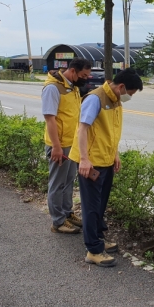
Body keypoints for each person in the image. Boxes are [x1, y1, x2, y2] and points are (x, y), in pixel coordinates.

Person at [69, 68, 143, 267]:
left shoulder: (116, 100)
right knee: (91, 206)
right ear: (121, 87)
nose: (130, 97)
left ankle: (99, 239)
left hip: (106, 159)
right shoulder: (95, 99)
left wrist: (115, 154)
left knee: (101, 204)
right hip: (91, 162)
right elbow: (82, 130)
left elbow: (111, 131)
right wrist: (84, 159)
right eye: (131, 93)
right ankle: (93, 250)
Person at [42, 58, 92, 234]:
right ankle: (58, 221)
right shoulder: (53, 88)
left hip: (72, 144)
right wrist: (56, 147)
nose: (87, 77)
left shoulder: (72, 87)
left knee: (69, 181)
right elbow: (50, 119)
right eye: (84, 75)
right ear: (72, 71)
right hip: (60, 145)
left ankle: (67, 214)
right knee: (57, 183)